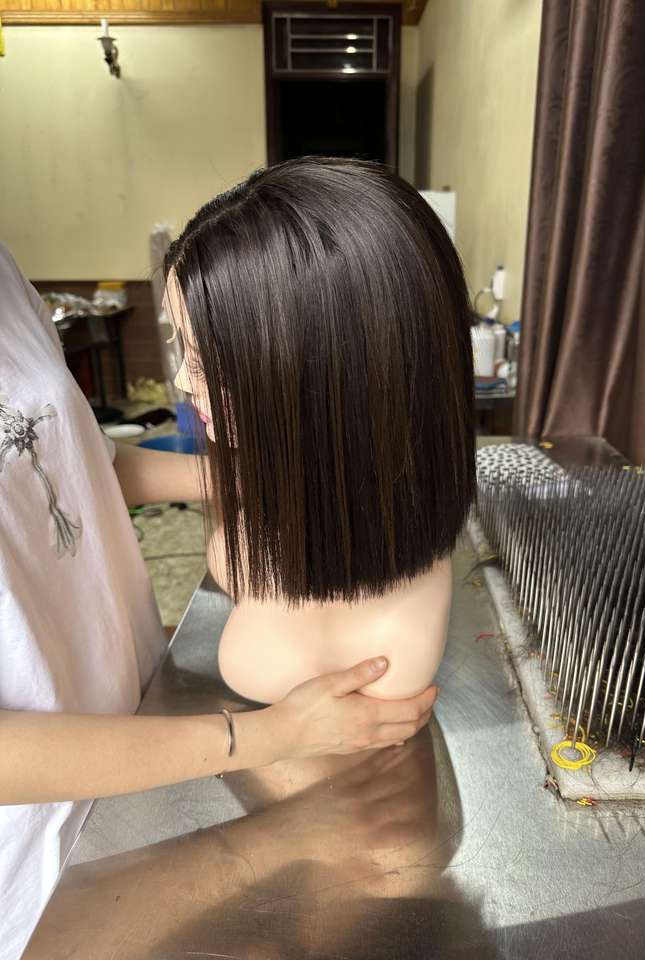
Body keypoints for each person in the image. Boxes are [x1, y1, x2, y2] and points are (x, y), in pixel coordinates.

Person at [0, 240, 438, 960]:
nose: (178, 378)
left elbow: (66, 458)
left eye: (203, 357)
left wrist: (259, 482)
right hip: (40, 876)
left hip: (145, 745)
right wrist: (267, 738)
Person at [163, 157, 475, 705]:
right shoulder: (263, 530)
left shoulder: (390, 630)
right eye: (180, 345)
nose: (183, 380)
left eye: (204, 357)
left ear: (326, 372)